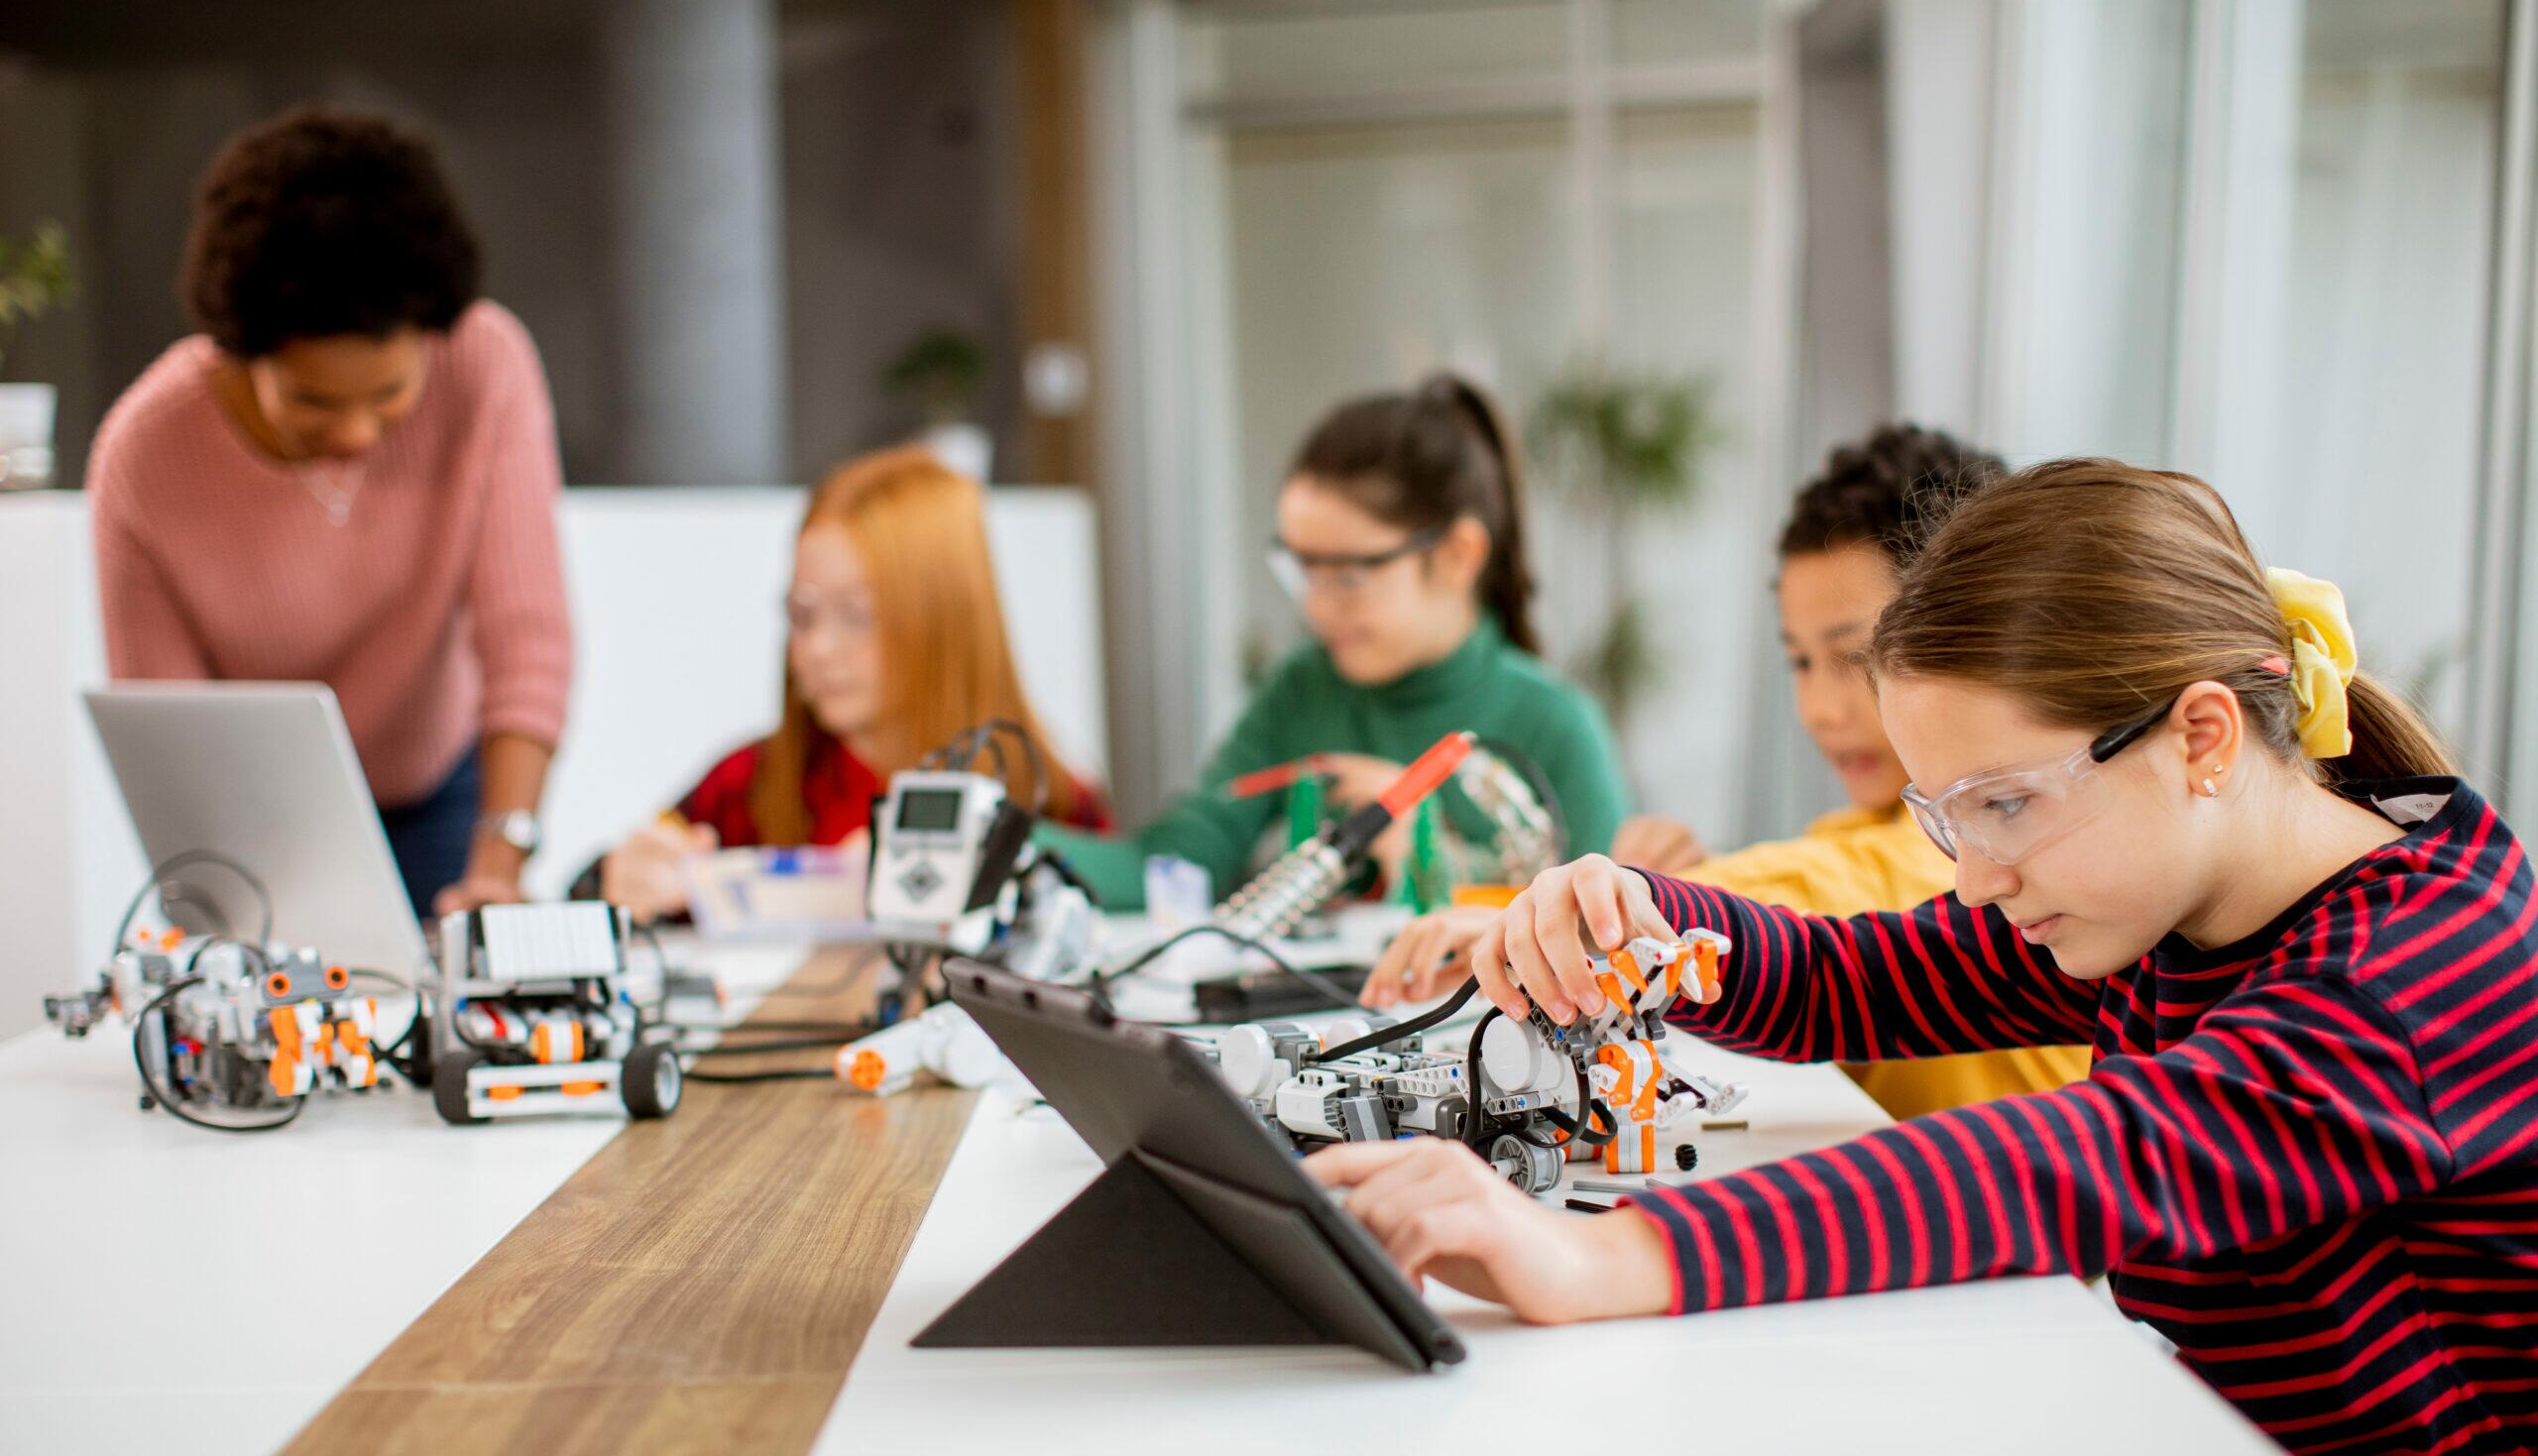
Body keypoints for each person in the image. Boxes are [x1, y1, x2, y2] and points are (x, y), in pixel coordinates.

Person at [1304, 460, 2538, 1456]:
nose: (1980, 875)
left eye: (2003, 805)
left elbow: (2085, 1160)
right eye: (1945, 818)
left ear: (2203, 739)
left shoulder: (2415, 969)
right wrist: (1640, 919)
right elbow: (1857, 981)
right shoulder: (2176, 889)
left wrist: (1607, 1259)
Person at [1363, 424, 2087, 1120]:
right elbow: (1826, 941)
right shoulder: (1866, 827)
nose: (1820, 709)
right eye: (1799, 662)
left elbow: (1846, 889)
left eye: (1854, 658)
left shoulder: (1970, 848)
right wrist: (1651, 896)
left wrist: (1614, 915)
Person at [89, 105, 570, 918]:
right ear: (242, 348)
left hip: (444, 791)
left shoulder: (486, 367)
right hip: (263, 821)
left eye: (389, 394)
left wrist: (503, 855)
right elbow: (174, 737)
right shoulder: (145, 455)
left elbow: (527, 636)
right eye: (312, 400)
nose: (355, 432)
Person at [1040, 374, 1628, 908]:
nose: (1315, 607)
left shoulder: (1558, 726)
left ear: (1457, 555)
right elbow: (1178, 862)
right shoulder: (1302, 690)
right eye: (1302, 570)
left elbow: (1600, 934)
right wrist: (999, 839)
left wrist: (1433, 852)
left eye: (1348, 575)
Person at [591, 446, 1104, 920]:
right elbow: (603, 892)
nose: (817, 648)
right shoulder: (743, 789)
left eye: (856, 615)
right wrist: (613, 883)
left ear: (947, 622)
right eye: (802, 615)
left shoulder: (1056, 805)